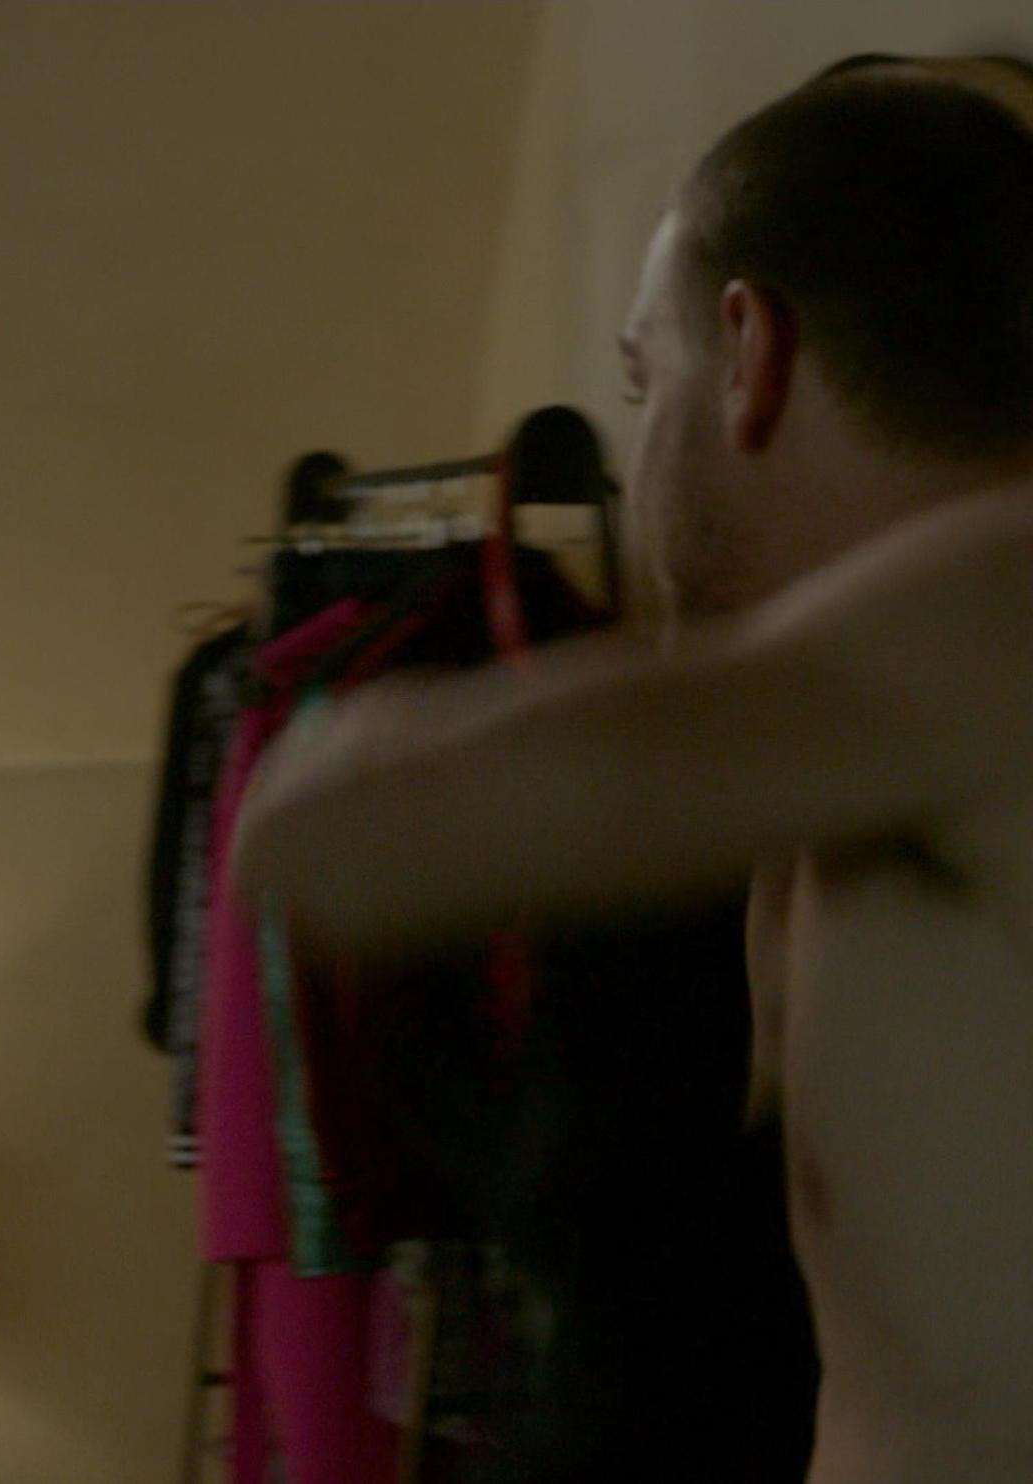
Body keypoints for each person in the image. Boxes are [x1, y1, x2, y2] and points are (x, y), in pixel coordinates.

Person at [234, 53, 1033, 1484]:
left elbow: (335, 830)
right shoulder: (865, 746)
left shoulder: (988, 613)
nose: (640, 433)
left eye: (637, 375)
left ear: (747, 349)